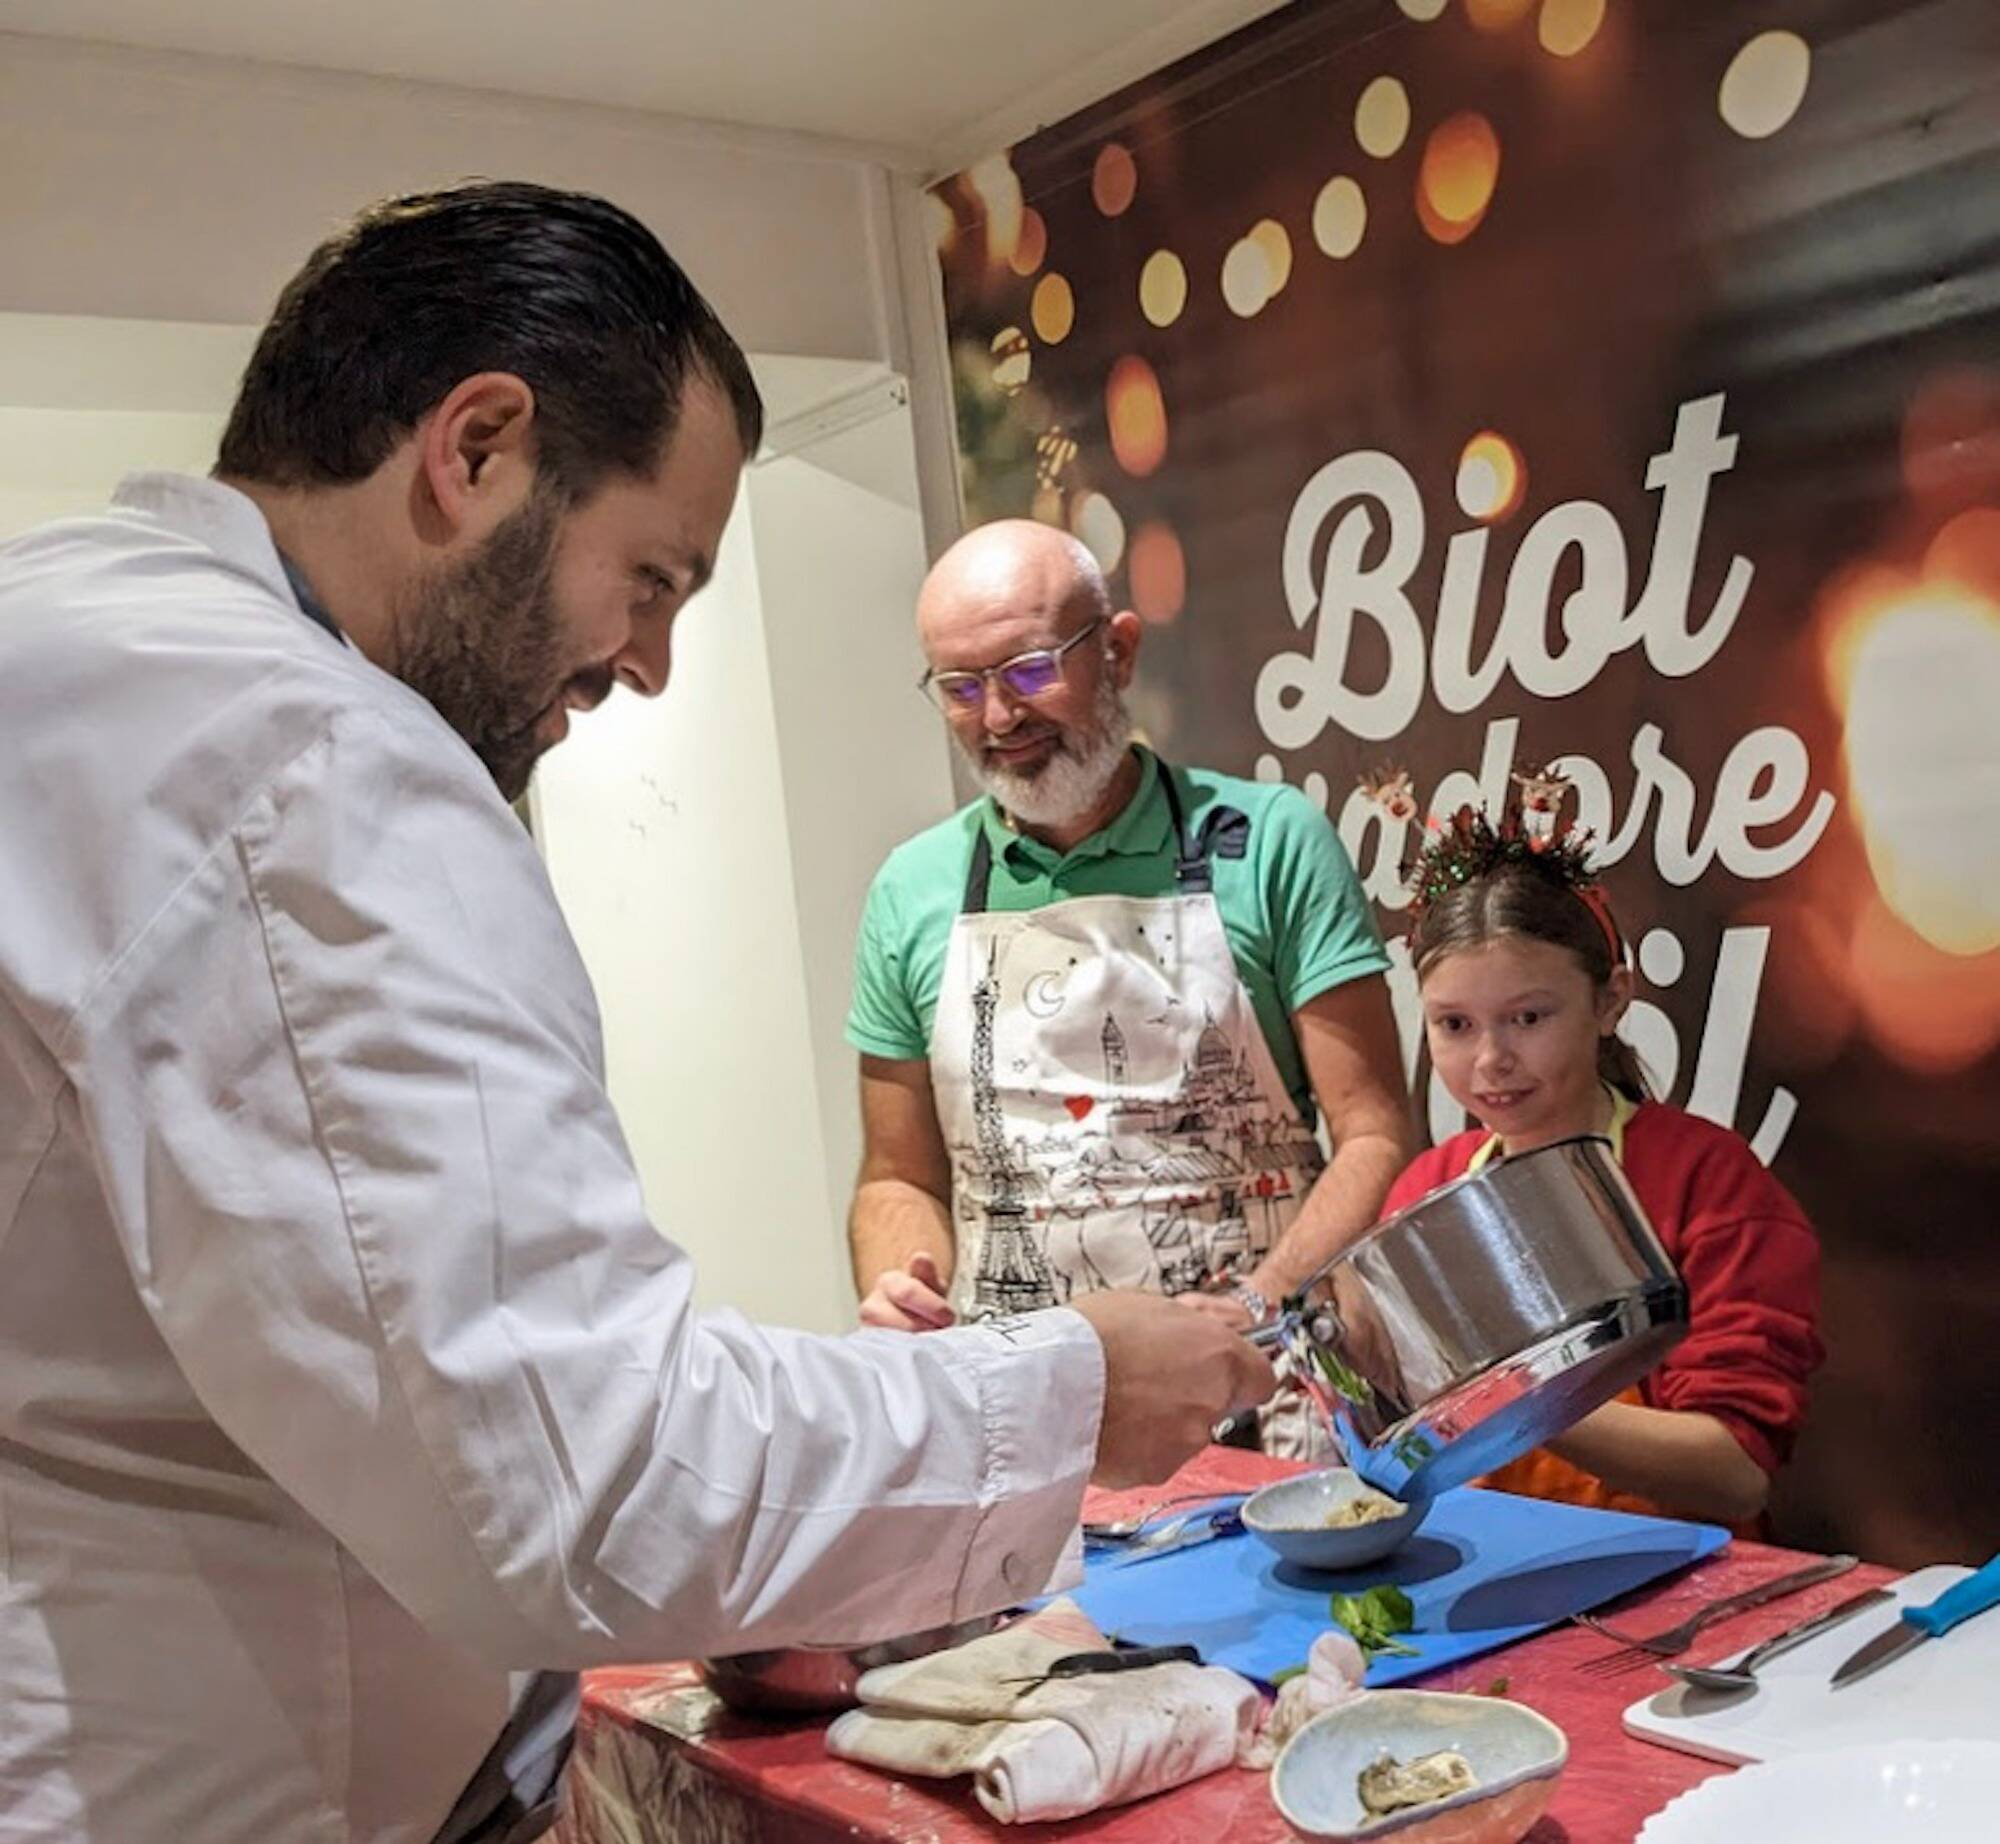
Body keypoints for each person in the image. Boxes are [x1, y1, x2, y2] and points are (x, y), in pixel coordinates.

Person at [0, 183, 1273, 1844]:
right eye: (652, 574)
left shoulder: (74, 635)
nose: (653, 662)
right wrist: (1067, 1389)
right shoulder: (304, 760)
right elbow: (587, 1469)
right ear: (476, 449)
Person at [845, 521, 1412, 1439]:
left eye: (1030, 671)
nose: (999, 718)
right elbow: (896, 1176)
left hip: (1265, 1392)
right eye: (960, 688)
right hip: (1024, 1409)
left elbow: (1377, 1131)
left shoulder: (1267, 841)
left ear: (1119, 652)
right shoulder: (911, 889)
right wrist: (899, 1281)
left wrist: (1262, 1307)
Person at [1374, 776, 1823, 1526]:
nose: (1491, 1060)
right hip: (1477, 1574)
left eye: (1527, 1017)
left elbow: (1735, 1475)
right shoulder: (1429, 1186)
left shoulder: (1706, 1184)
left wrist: (1512, 1402)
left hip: (1669, 1584)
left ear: (1611, 1000)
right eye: (1454, 1025)